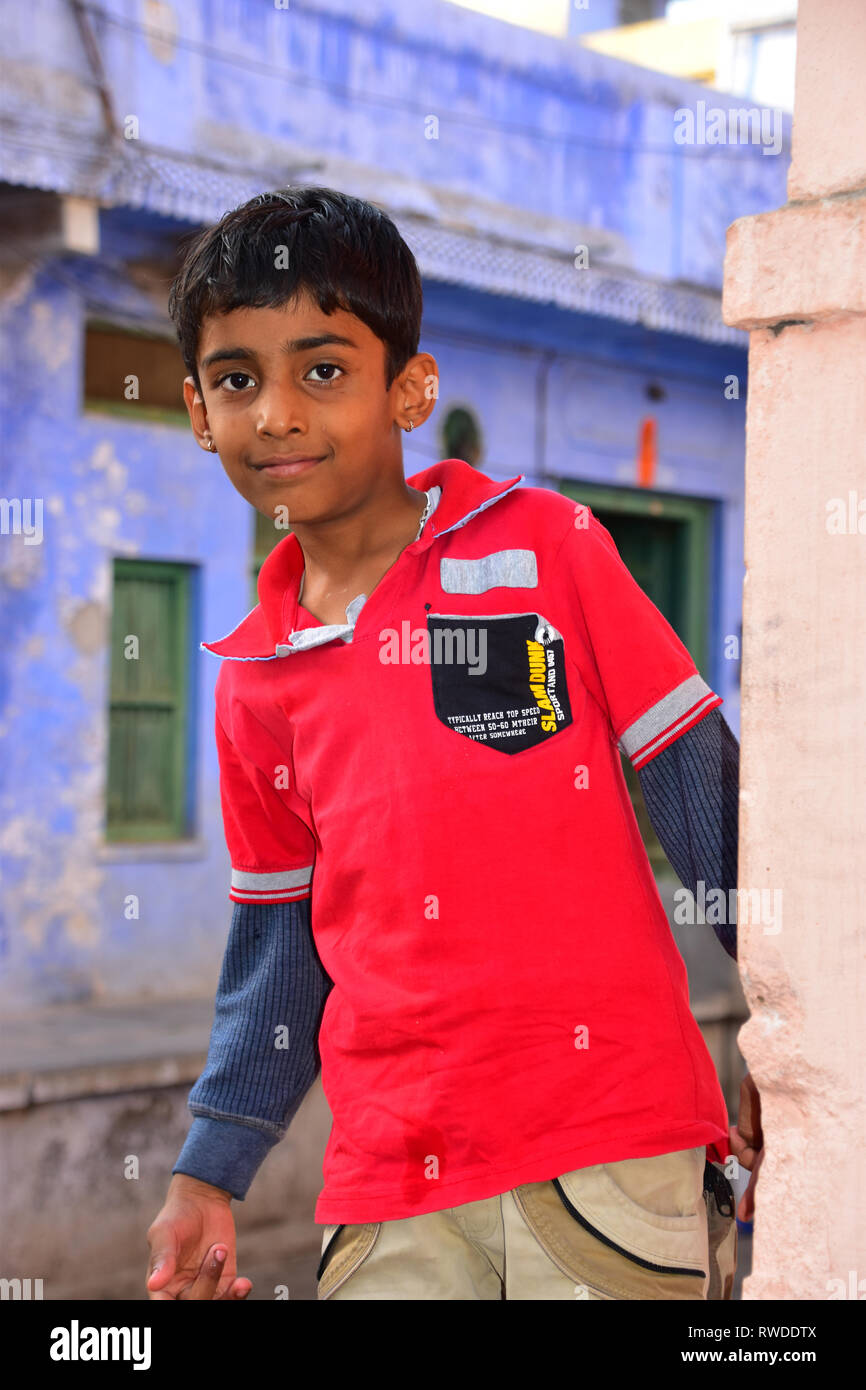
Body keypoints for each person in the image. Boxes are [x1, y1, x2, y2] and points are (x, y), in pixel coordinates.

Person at [145, 186, 757, 1301]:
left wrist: (777, 1018)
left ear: (409, 388)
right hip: (388, 1189)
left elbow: (694, 783)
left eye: (321, 369)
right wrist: (208, 1169)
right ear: (197, 409)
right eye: (238, 379)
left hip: (610, 1149)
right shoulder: (253, 678)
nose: (276, 412)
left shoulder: (544, 547)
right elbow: (279, 948)